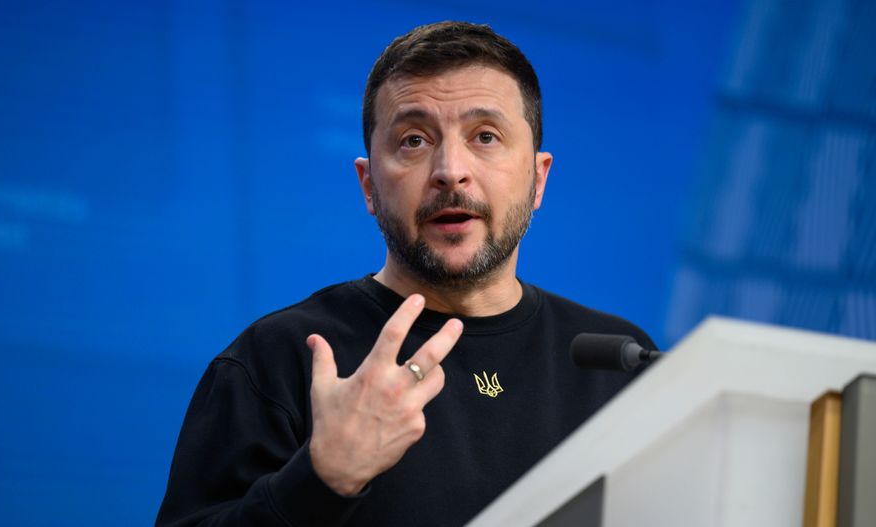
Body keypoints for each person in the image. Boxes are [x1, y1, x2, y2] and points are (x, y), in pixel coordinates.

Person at [156, 21, 655, 527]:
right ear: (369, 186)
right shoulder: (280, 359)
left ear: (538, 177)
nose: (450, 169)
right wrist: (323, 479)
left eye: (486, 136)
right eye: (414, 140)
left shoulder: (618, 359)